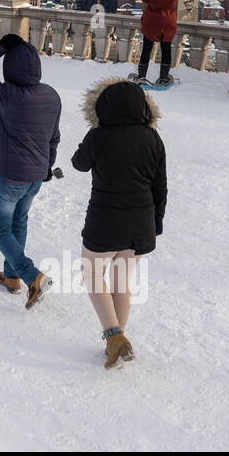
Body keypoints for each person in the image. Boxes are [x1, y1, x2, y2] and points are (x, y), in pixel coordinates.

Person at [70, 78, 167, 368]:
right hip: (141, 222)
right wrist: (156, 223)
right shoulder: (153, 139)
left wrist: (90, 136)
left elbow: (78, 163)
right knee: (122, 279)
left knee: (91, 272)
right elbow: (160, 187)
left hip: (105, 220)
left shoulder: (99, 136)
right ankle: (119, 339)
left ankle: (114, 337)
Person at [0, 34, 62, 308]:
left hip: (9, 177)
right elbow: (54, 138)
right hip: (36, 177)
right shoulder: (51, 95)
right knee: (18, 224)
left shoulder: (7, 94)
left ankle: (32, 276)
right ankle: (11, 277)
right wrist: (46, 168)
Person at [135, 0, 182, 86]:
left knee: (147, 48)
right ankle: (164, 77)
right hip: (169, 20)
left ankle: (142, 76)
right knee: (166, 49)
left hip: (152, 20)